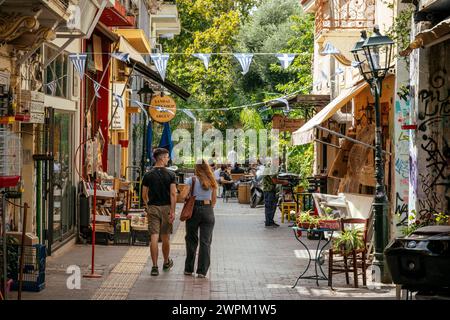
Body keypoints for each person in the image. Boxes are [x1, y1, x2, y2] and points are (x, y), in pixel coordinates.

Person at [142, 148, 177, 276]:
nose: (168, 159)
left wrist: (148, 206)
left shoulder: (148, 175)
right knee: (166, 236)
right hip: (166, 207)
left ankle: (155, 266)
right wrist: (172, 211)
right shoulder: (171, 175)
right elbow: (173, 194)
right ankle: (166, 262)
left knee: (154, 237)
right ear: (161, 158)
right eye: (167, 157)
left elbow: (144, 194)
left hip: (153, 207)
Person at [184, 160, 218, 278]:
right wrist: (207, 207)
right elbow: (214, 200)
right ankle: (202, 272)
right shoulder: (212, 180)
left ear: (196, 167)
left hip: (194, 209)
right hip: (208, 210)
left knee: (191, 239)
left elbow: (183, 195)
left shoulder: (191, 180)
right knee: (206, 242)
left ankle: (189, 269)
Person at [261, 163, 288, 228]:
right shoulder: (271, 168)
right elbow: (275, 181)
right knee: (270, 206)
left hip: (268, 189)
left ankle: (269, 221)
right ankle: (269, 222)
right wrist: (284, 182)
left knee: (269, 206)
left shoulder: (268, 166)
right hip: (269, 190)